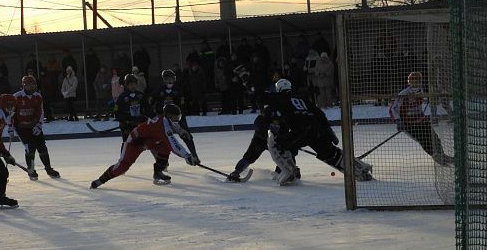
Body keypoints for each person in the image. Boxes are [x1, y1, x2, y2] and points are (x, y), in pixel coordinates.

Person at [230, 79, 372, 185]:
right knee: (331, 153)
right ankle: (359, 169)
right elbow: (320, 114)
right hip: (316, 129)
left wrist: (248, 84)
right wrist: (329, 133)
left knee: (279, 144)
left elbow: (261, 96)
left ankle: (289, 172)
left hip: (301, 130)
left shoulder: (281, 98)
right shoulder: (302, 99)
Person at [90, 103, 200, 188]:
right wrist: (187, 156)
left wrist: (181, 130)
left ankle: (158, 173)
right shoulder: (162, 127)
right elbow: (174, 144)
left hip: (149, 140)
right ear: (169, 116)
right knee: (123, 166)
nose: (177, 120)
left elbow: (174, 128)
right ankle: (100, 180)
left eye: (179, 118)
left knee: (165, 146)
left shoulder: (167, 120)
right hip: (135, 141)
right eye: (176, 118)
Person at [389, 72, 453, 166]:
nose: (415, 83)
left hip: (421, 120)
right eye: (413, 81)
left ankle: (442, 155)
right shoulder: (404, 94)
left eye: (417, 81)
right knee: (424, 140)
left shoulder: (421, 90)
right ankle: (436, 156)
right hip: (408, 124)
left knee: (434, 137)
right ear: (409, 82)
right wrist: (398, 121)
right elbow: (392, 108)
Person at [14, 75, 60, 180]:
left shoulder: (38, 96)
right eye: (30, 84)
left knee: (42, 147)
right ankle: (31, 170)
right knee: (29, 148)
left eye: (34, 84)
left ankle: (48, 169)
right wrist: (11, 127)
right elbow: (11, 112)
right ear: (24, 85)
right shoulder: (17, 97)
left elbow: (40, 111)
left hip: (34, 126)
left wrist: (39, 125)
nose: (32, 87)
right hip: (21, 128)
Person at [114, 73, 150, 148]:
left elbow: (147, 109)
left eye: (134, 84)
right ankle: (124, 159)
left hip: (139, 124)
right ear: (126, 85)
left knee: (143, 143)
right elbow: (117, 113)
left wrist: (142, 118)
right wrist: (125, 122)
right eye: (130, 84)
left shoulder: (141, 95)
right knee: (127, 143)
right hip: (127, 126)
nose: (133, 86)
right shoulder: (122, 97)